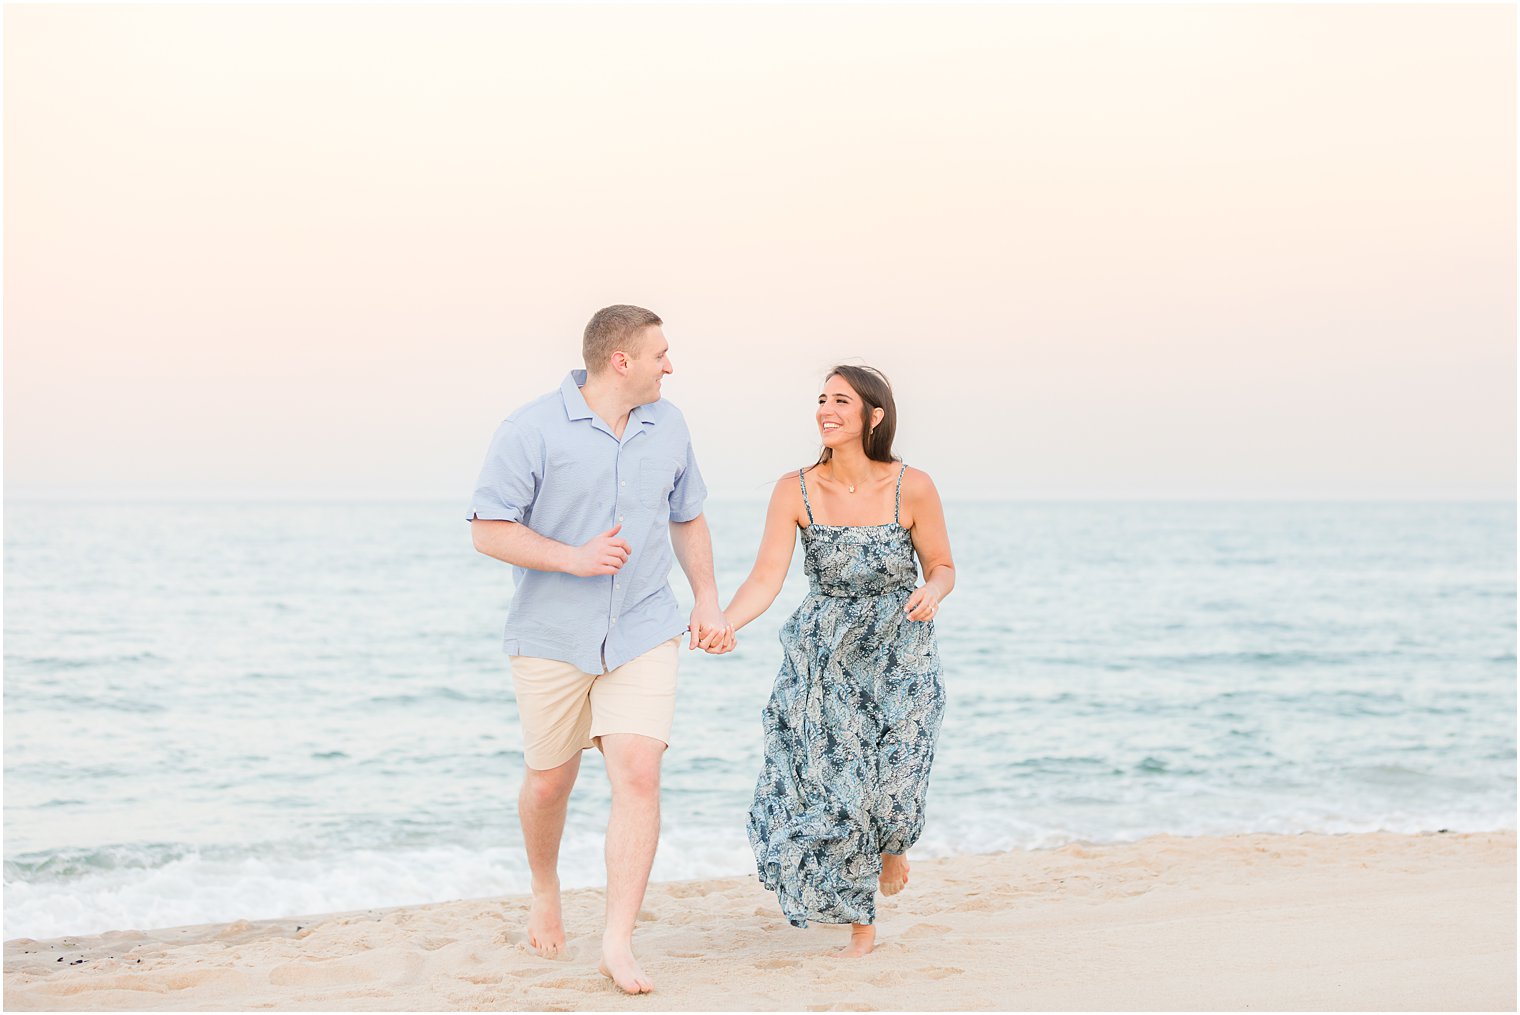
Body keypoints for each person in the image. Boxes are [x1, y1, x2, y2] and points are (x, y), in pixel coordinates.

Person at [468, 304, 732, 995]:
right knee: (551, 781)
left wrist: (706, 598)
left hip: (647, 625)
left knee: (639, 774)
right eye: (660, 353)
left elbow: (688, 512)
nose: (668, 365)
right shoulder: (530, 429)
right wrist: (572, 558)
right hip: (552, 635)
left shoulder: (668, 425)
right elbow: (488, 528)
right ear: (622, 360)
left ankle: (617, 940)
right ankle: (545, 884)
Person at [720, 364, 953, 957]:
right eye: (822, 399)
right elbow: (767, 577)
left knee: (898, 770)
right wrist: (725, 621)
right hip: (825, 654)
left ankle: (893, 843)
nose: (827, 410)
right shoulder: (794, 489)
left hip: (902, 648)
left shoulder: (913, 485)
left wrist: (933, 590)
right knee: (838, 782)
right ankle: (861, 923)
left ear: (873, 416)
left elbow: (943, 566)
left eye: (842, 401)